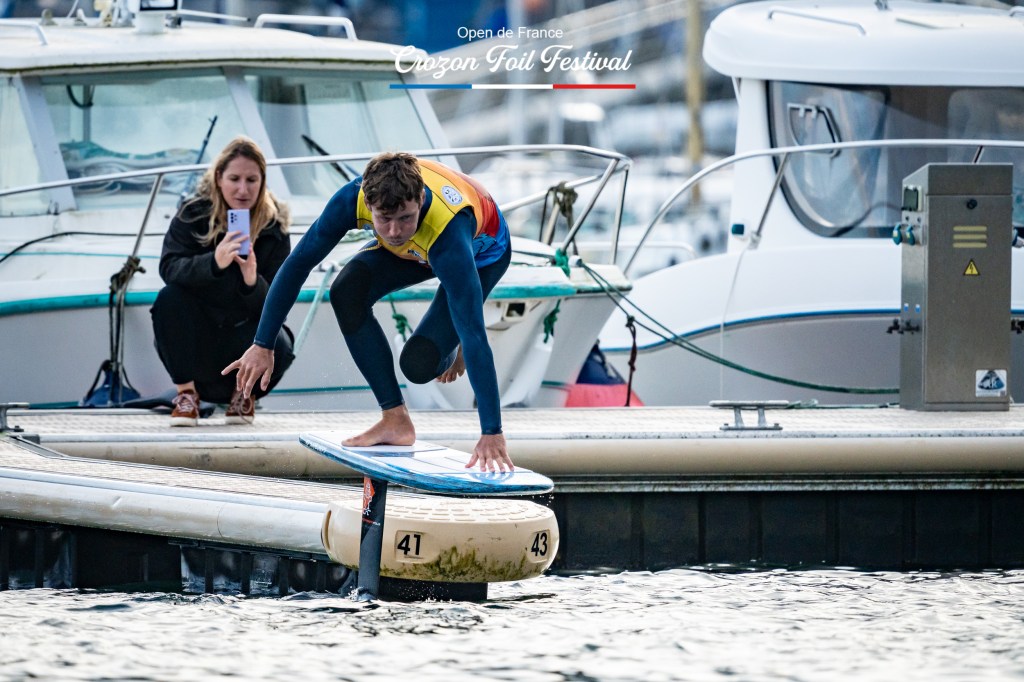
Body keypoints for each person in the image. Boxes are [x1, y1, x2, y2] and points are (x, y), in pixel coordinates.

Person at [224, 152, 514, 472]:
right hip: (416, 249)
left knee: (419, 364)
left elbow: (476, 335)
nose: (394, 231)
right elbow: (298, 264)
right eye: (384, 219)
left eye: (405, 217)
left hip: (482, 253)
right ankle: (395, 419)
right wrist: (263, 343)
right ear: (367, 203)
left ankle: (450, 341)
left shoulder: (449, 232)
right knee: (347, 291)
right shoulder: (352, 199)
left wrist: (492, 432)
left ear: (419, 199)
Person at [151, 136, 294, 426]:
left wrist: (252, 282)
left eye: (252, 180)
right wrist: (213, 263)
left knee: (279, 338)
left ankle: (243, 395)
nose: (243, 189)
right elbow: (169, 268)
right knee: (168, 298)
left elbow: (279, 302)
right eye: (234, 179)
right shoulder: (193, 214)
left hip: (242, 342)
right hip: (199, 345)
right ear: (218, 178)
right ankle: (186, 395)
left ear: (262, 181)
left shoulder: (274, 226)